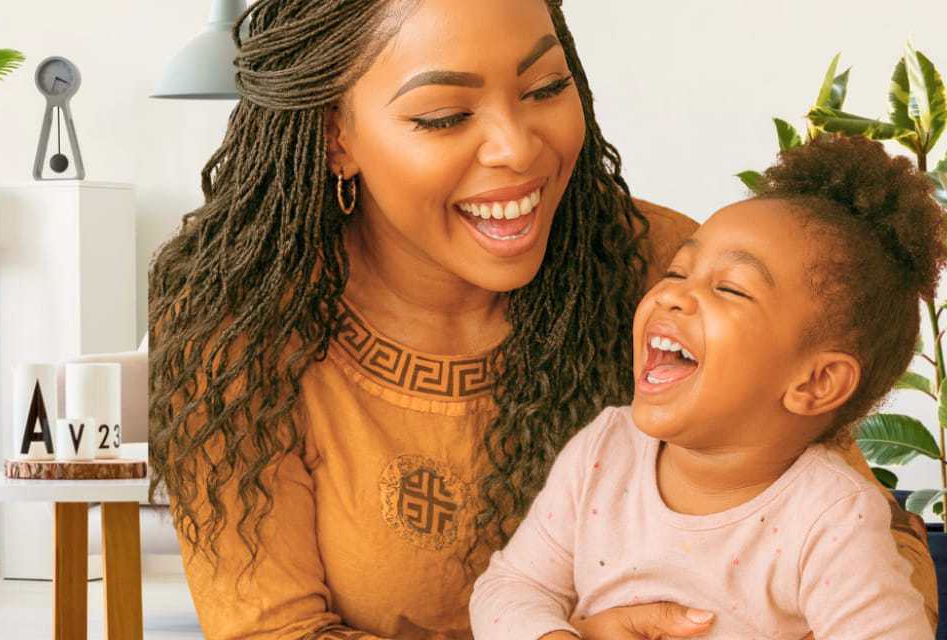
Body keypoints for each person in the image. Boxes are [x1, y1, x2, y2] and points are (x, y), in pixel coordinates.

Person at [146, 1, 937, 638]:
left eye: (545, 88)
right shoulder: (239, 332)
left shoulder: (665, 270)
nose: (518, 150)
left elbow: (867, 537)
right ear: (334, 137)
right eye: (444, 116)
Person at [470, 135, 942, 639]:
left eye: (730, 288)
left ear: (816, 382)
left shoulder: (832, 520)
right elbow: (512, 586)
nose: (672, 295)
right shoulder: (605, 451)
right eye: (677, 271)